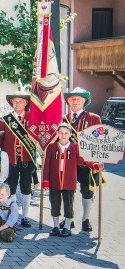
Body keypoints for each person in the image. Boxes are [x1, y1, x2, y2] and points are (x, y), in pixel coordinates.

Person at [43, 123, 102, 238]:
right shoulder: (51, 147)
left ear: (70, 134)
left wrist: (95, 166)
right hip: (54, 181)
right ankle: (55, 226)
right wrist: (46, 181)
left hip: (69, 181)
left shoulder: (75, 147)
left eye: (66, 133)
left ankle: (67, 227)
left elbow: (83, 161)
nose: (63, 135)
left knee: (68, 205)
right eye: (61, 133)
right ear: (57, 134)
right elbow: (47, 166)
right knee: (54, 204)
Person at [62, 87, 102, 232]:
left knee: (87, 191)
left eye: (79, 98)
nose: (75, 101)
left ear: (85, 101)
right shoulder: (63, 119)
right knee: (67, 191)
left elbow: (100, 141)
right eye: (72, 99)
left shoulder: (93, 118)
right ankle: (69, 218)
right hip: (68, 161)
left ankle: (85, 219)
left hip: (86, 161)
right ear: (68, 101)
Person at [0, 86, 36, 228]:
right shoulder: (5, 120)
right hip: (11, 160)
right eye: (15, 101)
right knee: (10, 188)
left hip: (27, 159)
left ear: (26, 103)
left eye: (20, 101)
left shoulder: (33, 118)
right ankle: (13, 215)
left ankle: (25, 216)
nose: (17, 104)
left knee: (26, 188)